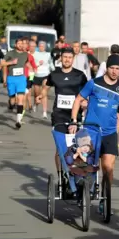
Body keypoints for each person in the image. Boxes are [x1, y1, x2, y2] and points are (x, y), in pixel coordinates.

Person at [70, 54, 119, 214]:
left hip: (109, 133)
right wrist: (74, 120)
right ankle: (82, 191)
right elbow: (78, 99)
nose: (114, 72)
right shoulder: (94, 83)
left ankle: (104, 198)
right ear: (106, 68)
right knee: (86, 165)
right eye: (112, 68)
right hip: (89, 130)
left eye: (117, 69)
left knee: (108, 167)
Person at [47, 47, 88, 176]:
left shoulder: (80, 75)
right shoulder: (55, 74)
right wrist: (41, 95)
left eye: (69, 57)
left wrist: (85, 102)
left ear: (73, 59)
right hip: (59, 115)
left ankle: (76, 172)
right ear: (61, 58)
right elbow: (46, 86)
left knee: (79, 145)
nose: (67, 60)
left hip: (75, 116)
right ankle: (60, 175)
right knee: (60, 148)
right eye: (64, 57)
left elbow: (86, 92)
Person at [1, 38, 31, 129]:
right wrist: (11, 62)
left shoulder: (26, 54)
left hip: (21, 78)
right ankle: (10, 104)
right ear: (15, 44)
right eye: (19, 43)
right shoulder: (10, 53)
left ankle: (18, 120)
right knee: (13, 99)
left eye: (23, 43)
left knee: (20, 98)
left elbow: (26, 64)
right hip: (11, 78)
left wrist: (32, 69)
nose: (21, 45)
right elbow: (2, 63)